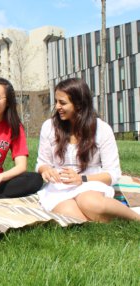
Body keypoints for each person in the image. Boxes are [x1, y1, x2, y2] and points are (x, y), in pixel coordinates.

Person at [36, 78, 140, 222]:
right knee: (71, 214)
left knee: (89, 203)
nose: (57, 106)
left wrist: (82, 179)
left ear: (79, 104)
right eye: (56, 101)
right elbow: (42, 162)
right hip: (58, 187)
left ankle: (136, 218)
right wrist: (46, 170)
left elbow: (113, 173)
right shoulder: (49, 127)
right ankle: (102, 222)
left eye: (63, 103)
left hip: (90, 182)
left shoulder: (102, 129)